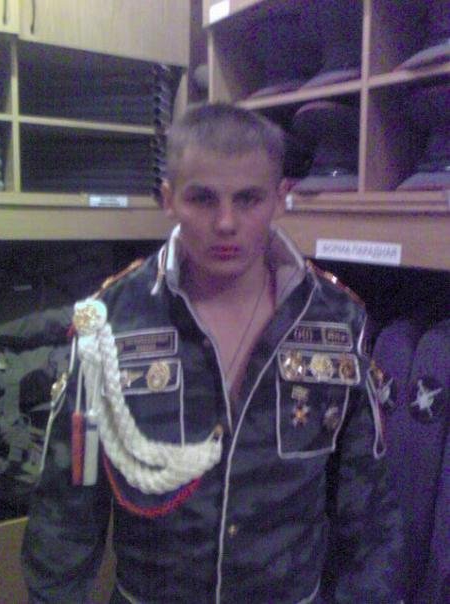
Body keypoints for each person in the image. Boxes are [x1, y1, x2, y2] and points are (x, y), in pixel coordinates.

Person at [21, 103, 404, 603]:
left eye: (248, 199)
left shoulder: (336, 321)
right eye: (203, 198)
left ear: (281, 198)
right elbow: (67, 510)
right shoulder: (110, 321)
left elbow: (369, 512)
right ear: (169, 199)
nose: (226, 223)